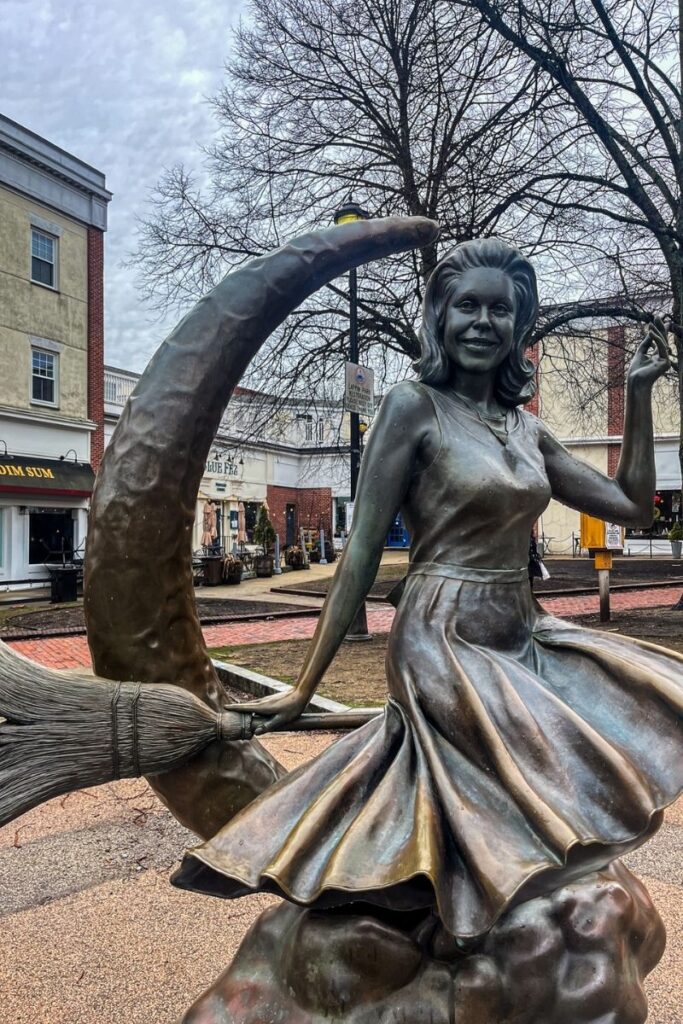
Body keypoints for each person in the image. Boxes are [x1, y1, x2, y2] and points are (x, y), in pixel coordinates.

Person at [174, 238, 683, 942]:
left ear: (518, 327)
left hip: (520, 626)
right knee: (519, 764)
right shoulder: (412, 407)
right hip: (440, 633)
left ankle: (480, 923)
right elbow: (357, 551)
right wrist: (300, 686)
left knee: (645, 696)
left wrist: (637, 395)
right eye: (464, 306)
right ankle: (469, 934)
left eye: (499, 310)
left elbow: (628, 506)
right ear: (439, 319)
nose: (481, 321)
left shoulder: (526, 429)